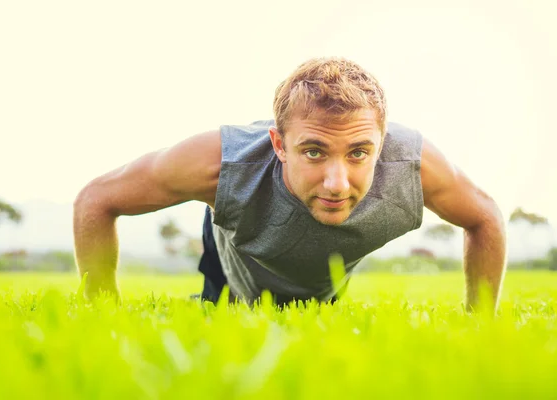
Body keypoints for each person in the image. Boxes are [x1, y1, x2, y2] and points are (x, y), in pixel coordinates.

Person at [73, 57, 506, 311]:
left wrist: (479, 325)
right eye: (314, 151)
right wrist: (101, 311)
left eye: (359, 153)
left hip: (320, 285)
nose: (337, 184)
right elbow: (97, 198)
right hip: (237, 246)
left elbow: (485, 217)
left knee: (309, 316)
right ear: (279, 144)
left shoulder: (413, 166)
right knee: (220, 312)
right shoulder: (221, 164)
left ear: (381, 144)